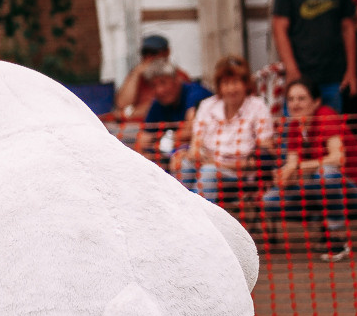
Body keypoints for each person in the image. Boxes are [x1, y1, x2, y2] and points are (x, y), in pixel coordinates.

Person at [262, 78, 357, 262]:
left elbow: (338, 158)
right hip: (316, 185)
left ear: (316, 101)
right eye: (291, 99)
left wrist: (297, 167)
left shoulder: (326, 115)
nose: (295, 104)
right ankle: (323, 226)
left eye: (301, 98)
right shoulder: (293, 126)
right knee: (270, 200)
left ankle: (337, 236)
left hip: (354, 191)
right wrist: (283, 176)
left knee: (326, 173)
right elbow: (292, 165)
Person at [182, 55, 275, 206]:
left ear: (245, 84)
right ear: (219, 86)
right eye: (225, 83)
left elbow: (264, 157)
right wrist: (193, 155)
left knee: (209, 172)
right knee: (184, 165)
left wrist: (217, 164)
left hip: (240, 173)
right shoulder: (207, 106)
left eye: (235, 82)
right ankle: (178, 211)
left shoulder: (258, 106)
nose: (231, 89)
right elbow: (195, 146)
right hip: (207, 163)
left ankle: (195, 216)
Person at [135, 59, 211, 175]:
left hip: (207, 151)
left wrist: (164, 141)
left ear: (177, 80)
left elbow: (191, 130)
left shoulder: (195, 93)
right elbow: (142, 142)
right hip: (173, 152)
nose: (159, 90)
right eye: (154, 85)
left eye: (163, 83)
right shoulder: (158, 104)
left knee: (181, 163)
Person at [113, 33, 190, 120]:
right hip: (133, 124)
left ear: (167, 52)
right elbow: (122, 104)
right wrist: (135, 74)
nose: (149, 57)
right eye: (145, 53)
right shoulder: (138, 74)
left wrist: (127, 114)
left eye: (154, 53)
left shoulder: (177, 75)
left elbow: (162, 105)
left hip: (158, 123)